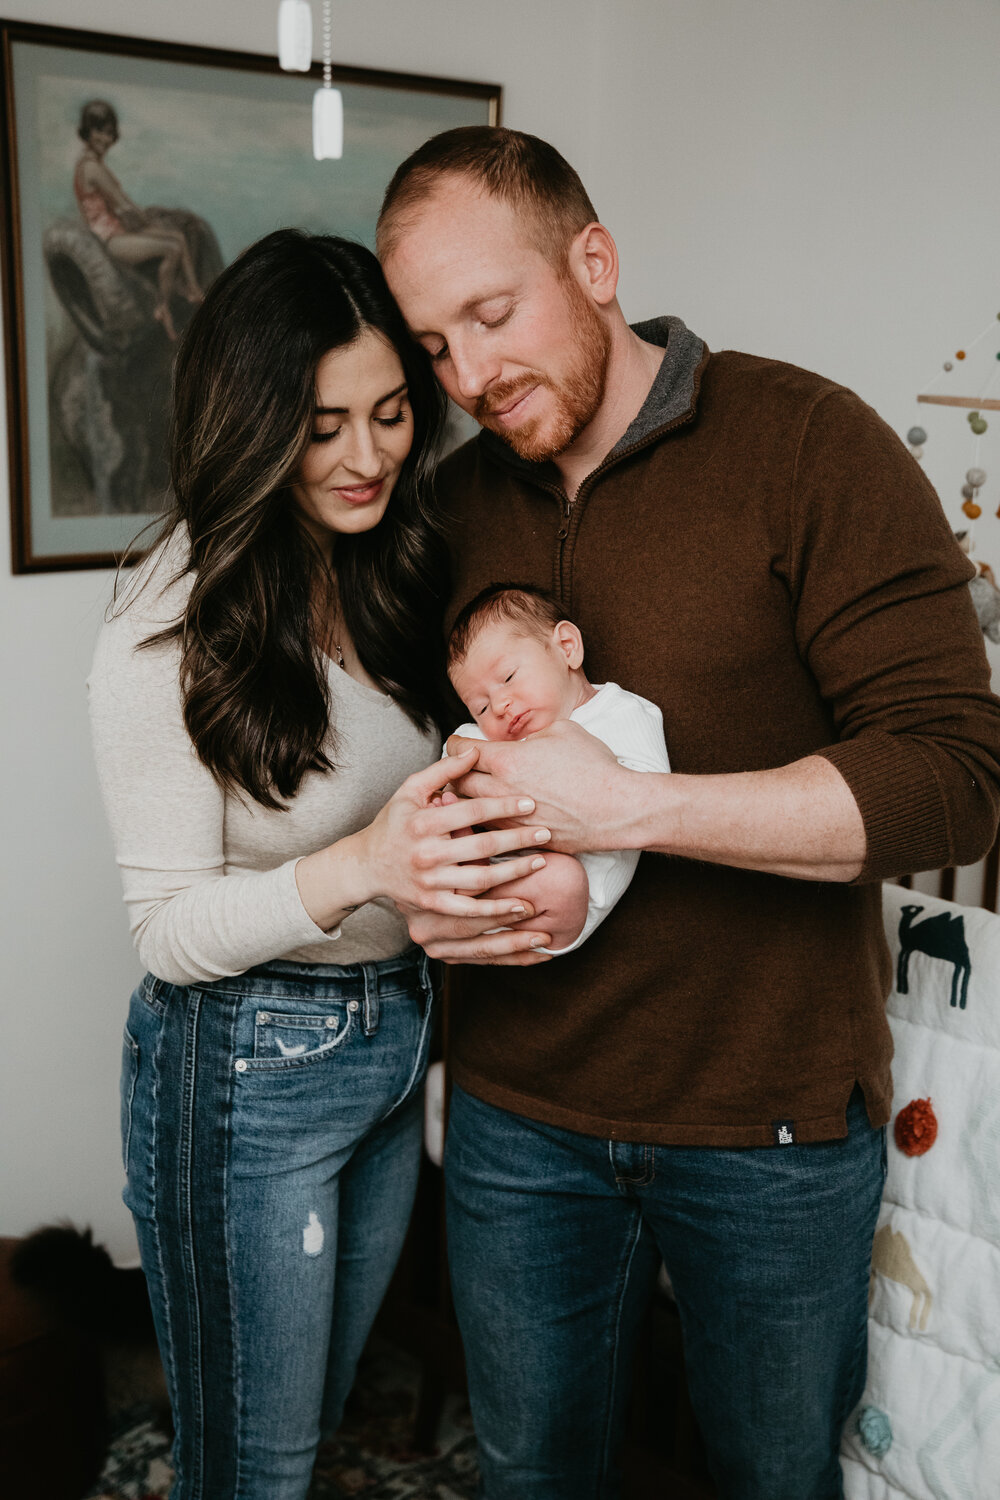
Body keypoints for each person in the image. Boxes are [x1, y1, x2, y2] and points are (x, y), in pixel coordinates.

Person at [376, 127, 1000, 1499]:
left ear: (595, 264)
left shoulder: (807, 444)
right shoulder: (456, 504)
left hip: (770, 1127)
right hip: (516, 1117)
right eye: (434, 347)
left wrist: (632, 807)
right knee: (535, 1472)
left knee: (771, 1475)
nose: (469, 378)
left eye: (491, 315)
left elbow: (953, 772)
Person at [87, 228, 553, 1500]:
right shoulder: (163, 627)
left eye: (392, 414)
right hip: (243, 1070)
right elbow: (167, 932)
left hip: (392, 1043)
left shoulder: (393, 564)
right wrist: (365, 864)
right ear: (251, 426)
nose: (365, 458)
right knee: (257, 1464)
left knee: (316, 1416)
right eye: (321, 426)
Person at [446, 582, 670, 953]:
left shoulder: (622, 712)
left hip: (565, 895)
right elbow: (451, 769)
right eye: (481, 706)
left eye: (508, 678)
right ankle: (465, 871)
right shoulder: (486, 737)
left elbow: (652, 799)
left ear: (567, 648)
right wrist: (449, 793)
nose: (500, 704)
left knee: (561, 879)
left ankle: (471, 883)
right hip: (490, 874)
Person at [73, 99, 205, 339]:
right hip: (110, 241)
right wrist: (148, 225)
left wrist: (147, 224)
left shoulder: (92, 165)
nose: (105, 139)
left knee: (178, 236)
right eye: (100, 132)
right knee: (172, 247)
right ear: (88, 132)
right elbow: (122, 204)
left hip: (119, 232)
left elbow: (123, 204)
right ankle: (163, 306)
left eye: (109, 133)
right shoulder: (92, 168)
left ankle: (192, 289)